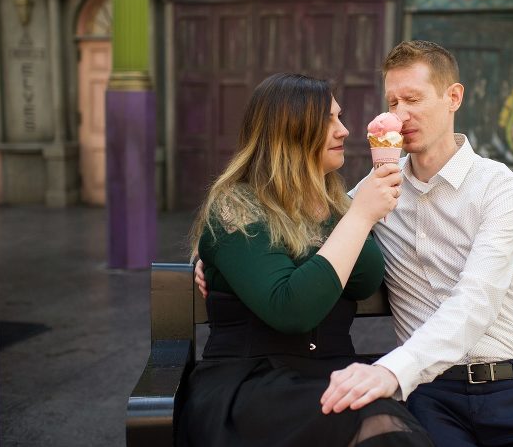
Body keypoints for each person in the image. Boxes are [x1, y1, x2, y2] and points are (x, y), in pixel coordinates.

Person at [196, 43, 513, 446]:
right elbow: (288, 227)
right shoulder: (372, 194)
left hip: (510, 386)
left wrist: (392, 370)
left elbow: (477, 299)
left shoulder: (497, 186)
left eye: (413, 99)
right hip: (428, 391)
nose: (400, 115)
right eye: (393, 102)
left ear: (453, 97)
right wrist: (213, 256)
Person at [178, 72, 433, 447]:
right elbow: (291, 309)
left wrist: (353, 215)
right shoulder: (237, 205)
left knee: (391, 428)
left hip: (334, 373)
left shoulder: (336, 203)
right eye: (328, 120)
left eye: (339, 117)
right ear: (290, 130)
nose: (344, 130)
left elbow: (364, 279)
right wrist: (360, 217)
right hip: (254, 383)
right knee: (380, 428)